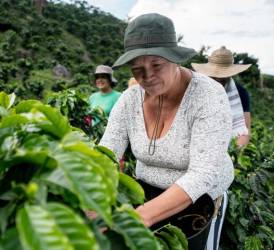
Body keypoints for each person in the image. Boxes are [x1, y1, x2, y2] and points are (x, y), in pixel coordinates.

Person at [100, 13, 234, 250]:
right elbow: (106, 152)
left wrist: (139, 217)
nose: (147, 76)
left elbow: (202, 174)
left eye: (157, 65)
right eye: (137, 68)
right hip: (145, 194)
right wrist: (93, 198)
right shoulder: (130, 99)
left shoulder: (208, 96)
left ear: (174, 59)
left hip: (199, 202)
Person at [192, 46, 251, 149]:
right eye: (215, 75)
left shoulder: (240, 93)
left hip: (227, 148)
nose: (219, 78)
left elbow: (244, 131)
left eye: (223, 75)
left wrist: (236, 151)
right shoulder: (197, 88)